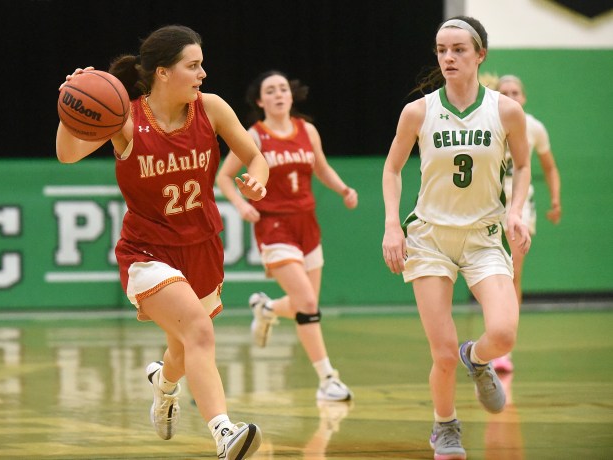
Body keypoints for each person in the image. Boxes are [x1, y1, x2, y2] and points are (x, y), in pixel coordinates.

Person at [56, 25, 267, 460]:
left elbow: (255, 156)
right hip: (147, 252)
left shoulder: (211, 108)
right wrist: (71, 102)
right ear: (163, 73)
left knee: (182, 347)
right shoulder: (125, 119)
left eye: (202, 64)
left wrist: (258, 182)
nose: (203, 74)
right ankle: (224, 433)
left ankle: (164, 385)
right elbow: (67, 153)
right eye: (193, 65)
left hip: (202, 244)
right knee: (199, 331)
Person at [381, 16, 531, 460]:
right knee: (442, 352)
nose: (448, 57)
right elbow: (391, 169)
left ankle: (479, 357)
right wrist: (392, 224)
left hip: (484, 237)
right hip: (429, 238)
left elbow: (522, 166)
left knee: (503, 334)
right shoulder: (419, 111)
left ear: (480, 54)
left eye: (459, 49)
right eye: (442, 49)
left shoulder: (505, 110)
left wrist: (515, 211)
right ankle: (445, 426)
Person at [216, 70, 358, 403]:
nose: (279, 94)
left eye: (284, 89)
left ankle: (266, 308)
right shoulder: (254, 135)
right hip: (274, 225)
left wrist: (343, 189)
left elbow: (320, 167)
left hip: (307, 224)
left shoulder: (307, 130)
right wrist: (240, 204)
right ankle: (327, 379)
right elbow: (224, 176)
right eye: (271, 90)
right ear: (260, 101)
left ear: (291, 96)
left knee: (304, 305)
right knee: (307, 303)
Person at [491, 74, 562, 373]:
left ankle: (504, 349)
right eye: (504, 91)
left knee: (512, 273)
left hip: (520, 205)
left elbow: (549, 166)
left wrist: (555, 200)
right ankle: (491, 335)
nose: (510, 95)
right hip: (488, 203)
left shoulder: (534, 127)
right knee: (488, 273)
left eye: (515, 91)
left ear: (524, 97)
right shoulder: (487, 122)